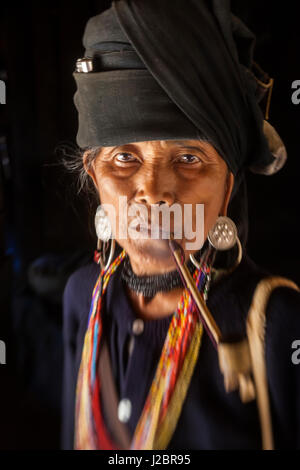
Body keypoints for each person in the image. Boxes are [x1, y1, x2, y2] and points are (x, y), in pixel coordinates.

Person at [61, 0, 300, 450]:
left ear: (228, 186)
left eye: (189, 159)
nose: (153, 192)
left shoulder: (277, 325)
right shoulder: (82, 297)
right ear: (93, 177)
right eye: (124, 158)